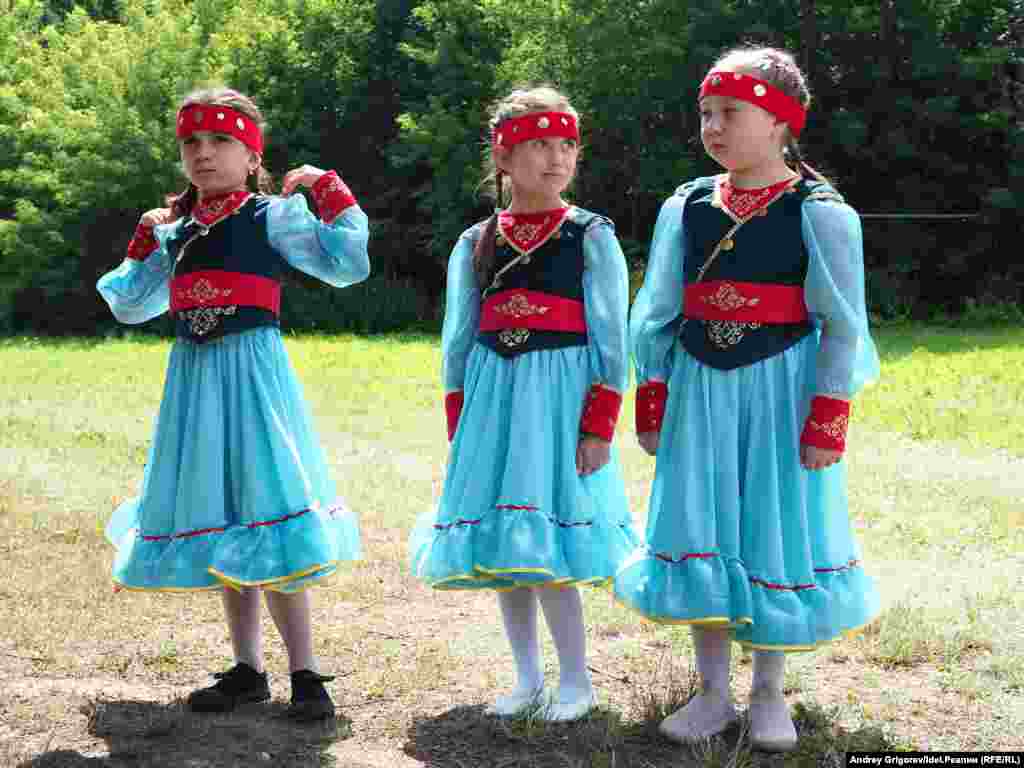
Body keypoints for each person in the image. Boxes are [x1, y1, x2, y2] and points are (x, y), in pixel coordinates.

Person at [613, 47, 881, 751]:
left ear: (781, 122)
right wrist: (653, 394)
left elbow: (841, 324)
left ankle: (767, 692)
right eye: (706, 113)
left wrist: (828, 416)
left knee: (769, 527)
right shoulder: (687, 206)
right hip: (700, 390)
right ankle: (711, 694)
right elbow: (658, 310)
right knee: (701, 524)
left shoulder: (820, 213)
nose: (713, 126)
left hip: (779, 391)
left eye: (729, 112)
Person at [97, 86, 369, 721]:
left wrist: (327, 188)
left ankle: (305, 673)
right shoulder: (175, 231)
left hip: (252, 376)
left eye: (221, 140)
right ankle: (248, 670)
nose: (203, 153)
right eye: (191, 142)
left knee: (268, 506)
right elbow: (131, 306)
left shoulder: (270, 216)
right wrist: (144, 242)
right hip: (195, 380)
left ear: (252, 156)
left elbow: (346, 262)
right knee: (223, 513)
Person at [408, 85, 637, 722]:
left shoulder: (589, 234)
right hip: (495, 401)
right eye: (539, 144)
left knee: (548, 546)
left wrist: (598, 424)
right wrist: (462, 420)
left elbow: (611, 335)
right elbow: (458, 336)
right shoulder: (475, 241)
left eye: (567, 144)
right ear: (504, 157)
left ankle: (576, 684)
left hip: (558, 402)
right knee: (506, 547)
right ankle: (527, 679)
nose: (556, 157)